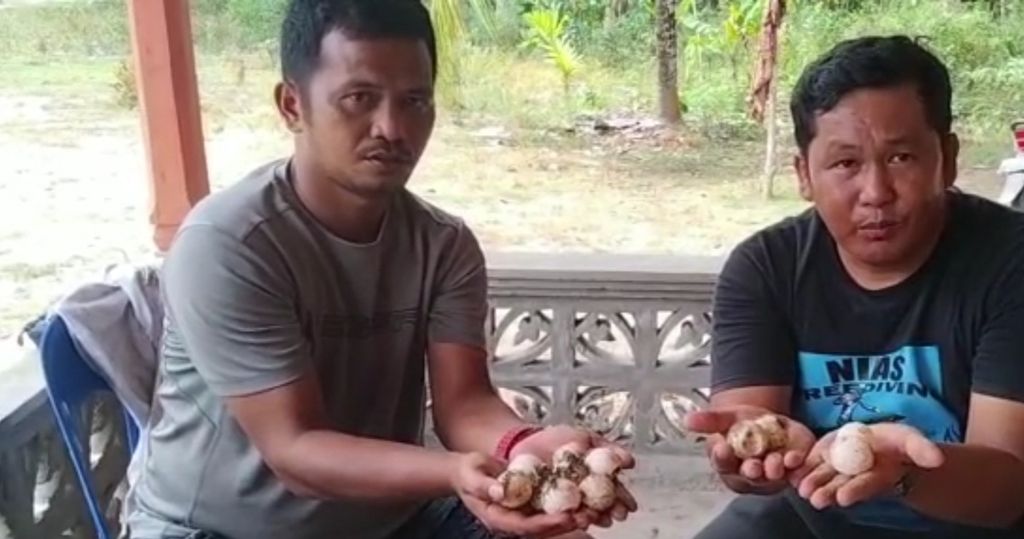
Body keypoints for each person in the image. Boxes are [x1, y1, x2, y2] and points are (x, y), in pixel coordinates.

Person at [123, 1, 636, 538]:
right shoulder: (230, 245)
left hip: (384, 521)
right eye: (358, 99)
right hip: (218, 529)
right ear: (292, 105)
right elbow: (294, 450)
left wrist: (519, 446)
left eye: (415, 101)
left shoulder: (444, 245)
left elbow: (464, 404)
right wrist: (453, 472)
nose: (392, 128)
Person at [685, 35, 1024, 538]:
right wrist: (755, 453)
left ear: (947, 159)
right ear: (804, 174)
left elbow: (1007, 487)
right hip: (815, 512)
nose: (875, 194)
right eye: (845, 163)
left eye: (901, 158)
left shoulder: (1010, 261)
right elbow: (749, 435)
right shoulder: (765, 267)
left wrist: (901, 470)